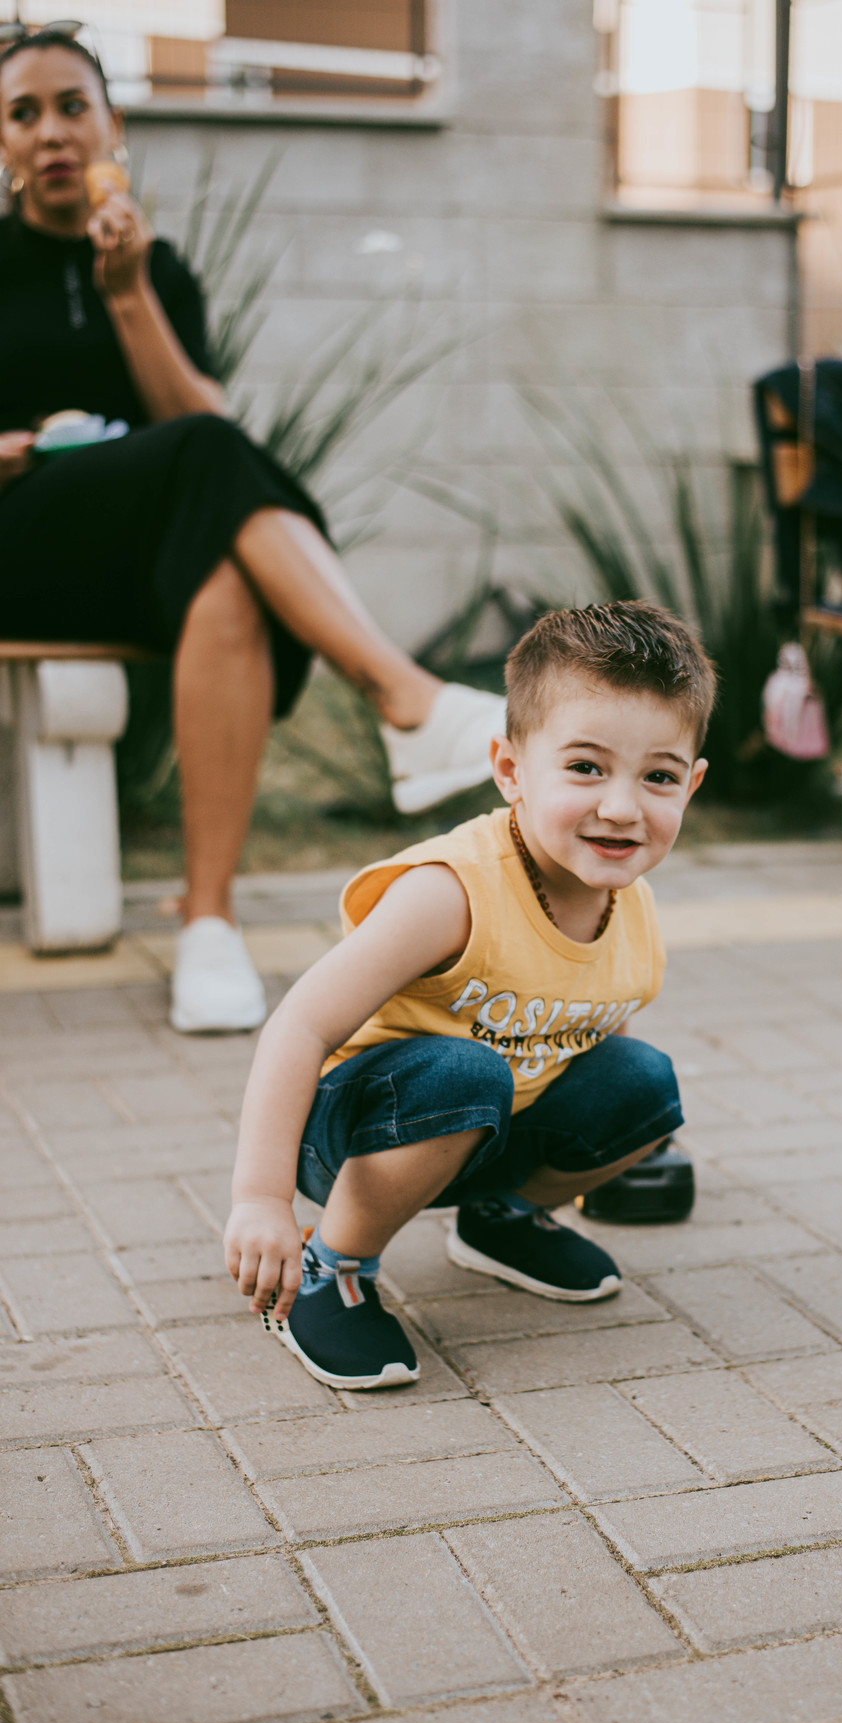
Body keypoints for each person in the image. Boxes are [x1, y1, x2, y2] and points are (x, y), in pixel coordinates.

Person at [0, 26, 504, 1034]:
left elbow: (193, 422)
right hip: (18, 542)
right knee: (206, 459)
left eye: (71, 106)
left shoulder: (158, 268)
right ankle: (401, 698)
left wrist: (129, 294)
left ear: (112, 126)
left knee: (225, 567)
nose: (51, 131)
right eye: (23, 113)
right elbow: (204, 441)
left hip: (127, 563)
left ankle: (208, 925)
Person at [224, 600, 713, 1390]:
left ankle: (502, 1219)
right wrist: (259, 1198)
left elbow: (587, 1033)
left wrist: (607, 1150)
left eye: (658, 776)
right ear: (511, 770)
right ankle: (331, 1266)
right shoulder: (450, 892)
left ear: (691, 785)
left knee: (643, 1082)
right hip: (352, 1131)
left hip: (484, 1125)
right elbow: (299, 1026)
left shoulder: (631, 906)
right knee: (467, 1071)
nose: (622, 808)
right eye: (585, 768)